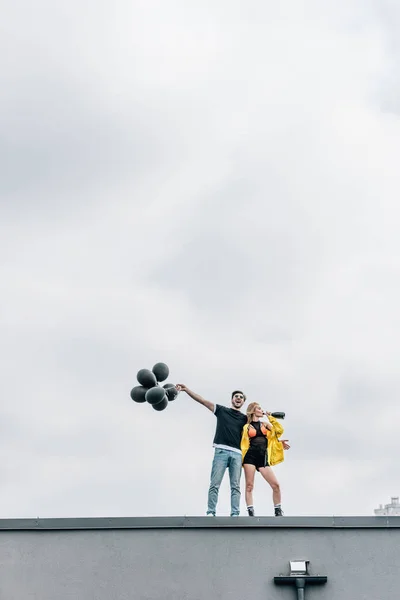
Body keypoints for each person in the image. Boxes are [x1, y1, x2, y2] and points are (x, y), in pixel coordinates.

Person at [176, 384, 247, 516]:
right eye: (236, 396)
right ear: (232, 399)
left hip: (237, 454)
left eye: (241, 397)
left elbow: (261, 427)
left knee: (235, 486)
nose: (238, 398)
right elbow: (202, 400)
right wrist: (186, 390)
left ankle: (235, 514)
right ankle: (210, 512)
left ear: (243, 402)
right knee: (215, 484)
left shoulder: (245, 419)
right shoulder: (221, 410)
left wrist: (278, 441)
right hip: (221, 451)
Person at [241, 402, 290, 517]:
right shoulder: (246, 427)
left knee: (275, 485)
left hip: (262, 458)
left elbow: (278, 431)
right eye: (259, 408)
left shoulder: (265, 424)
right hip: (250, 457)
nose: (261, 410)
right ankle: (251, 512)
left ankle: (278, 511)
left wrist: (270, 417)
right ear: (253, 411)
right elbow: (243, 443)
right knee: (249, 485)